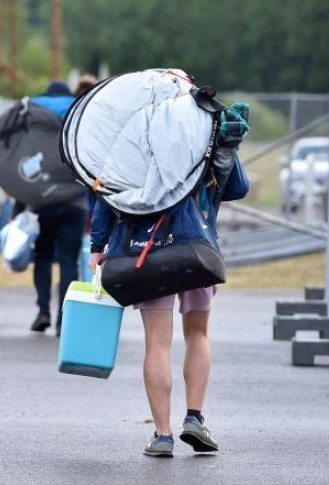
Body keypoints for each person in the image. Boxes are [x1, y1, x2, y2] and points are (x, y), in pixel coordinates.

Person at [87, 113, 250, 457]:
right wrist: (227, 149)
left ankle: (162, 435)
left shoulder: (130, 138)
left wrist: (98, 247)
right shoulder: (204, 131)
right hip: (197, 249)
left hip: (147, 254)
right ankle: (195, 417)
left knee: (157, 345)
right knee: (198, 334)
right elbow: (238, 188)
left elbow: (106, 195)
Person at [16, 81, 88, 337]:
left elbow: (19, 163)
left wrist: (19, 204)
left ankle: (43, 310)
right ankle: (63, 318)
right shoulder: (80, 108)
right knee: (69, 260)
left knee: (43, 256)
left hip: (41, 200)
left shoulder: (32, 111)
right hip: (75, 202)